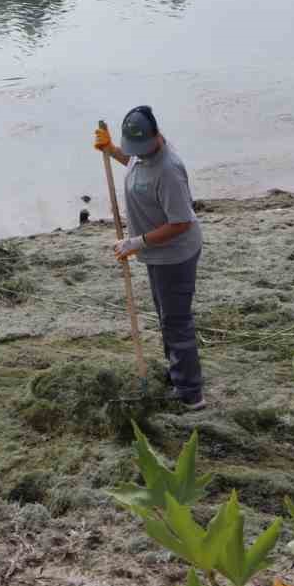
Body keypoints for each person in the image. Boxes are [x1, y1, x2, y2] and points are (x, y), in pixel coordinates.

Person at [95, 107, 205, 409]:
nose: (137, 153)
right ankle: (178, 371)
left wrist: (136, 243)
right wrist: (111, 150)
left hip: (175, 255)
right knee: (166, 316)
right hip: (156, 254)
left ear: (157, 136)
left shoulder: (169, 170)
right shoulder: (142, 155)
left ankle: (190, 393)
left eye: (141, 147)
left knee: (176, 321)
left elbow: (181, 222)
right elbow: (134, 164)